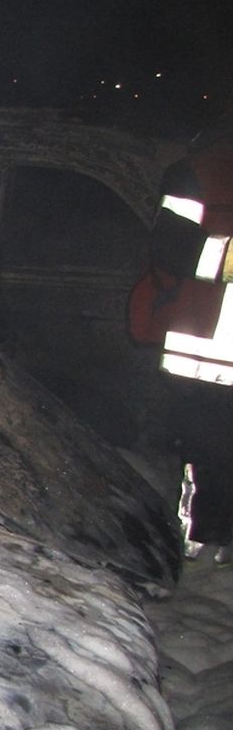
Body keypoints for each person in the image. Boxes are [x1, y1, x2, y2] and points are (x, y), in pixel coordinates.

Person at [129, 122, 233, 562]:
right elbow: (172, 250)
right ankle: (198, 549)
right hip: (206, 358)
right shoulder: (199, 175)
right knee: (203, 452)